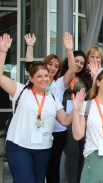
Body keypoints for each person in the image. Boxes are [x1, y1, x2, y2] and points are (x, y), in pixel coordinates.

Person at [0, 33, 81, 183]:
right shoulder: (21, 90)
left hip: (43, 148)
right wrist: (3, 52)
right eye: (39, 76)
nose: (44, 79)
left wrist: (75, 110)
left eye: (46, 76)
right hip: (19, 146)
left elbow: (65, 121)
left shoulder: (52, 98)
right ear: (30, 78)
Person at [25, 32, 77, 183]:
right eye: (50, 64)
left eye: (56, 66)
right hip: (37, 129)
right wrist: (30, 46)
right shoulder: (36, 82)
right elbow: (29, 67)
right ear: (44, 64)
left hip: (57, 131)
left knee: (53, 168)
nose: (53, 68)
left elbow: (72, 70)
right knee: (37, 166)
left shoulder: (59, 83)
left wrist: (69, 50)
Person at [61, 50, 91, 183]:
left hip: (81, 118)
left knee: (82, 153)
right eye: (76, 61)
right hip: (65, 118)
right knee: (72, 153)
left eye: (81, 63)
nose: (78, 64)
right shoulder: (61, 76)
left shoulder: (86, 78)